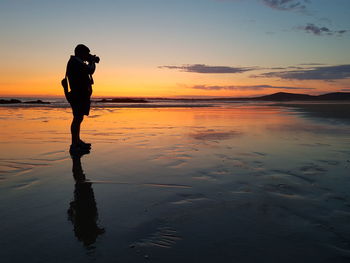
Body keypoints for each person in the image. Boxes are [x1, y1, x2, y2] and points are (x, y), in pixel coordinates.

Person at [65, 44, 99, 152]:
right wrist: (92, 61)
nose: (87, 56)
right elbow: (90, 70)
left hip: (80, 95)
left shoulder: (76, 62)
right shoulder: (76, 62)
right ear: (80, 53)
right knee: (77, 118)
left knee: (78, 118)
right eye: (86, 54)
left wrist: (90, 60)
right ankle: (74, 145)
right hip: (78, 95)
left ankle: (77, 141)